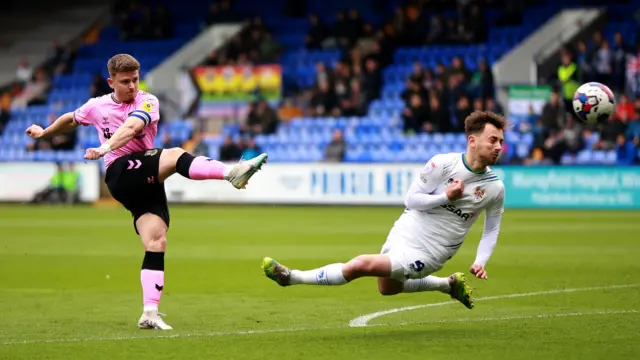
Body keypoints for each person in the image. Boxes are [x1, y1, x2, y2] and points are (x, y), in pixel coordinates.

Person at [25, 54, 268, 330]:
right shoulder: (97, 105)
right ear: (111, 82)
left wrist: (104, 146)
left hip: (145, 175)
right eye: (125, 81)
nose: (132, 86)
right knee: (176, 155)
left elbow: (132, 127)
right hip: (120, 172)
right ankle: (230, 173)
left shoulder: (148, 101)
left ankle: (149, 312)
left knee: (156, 242)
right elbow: (71, 118)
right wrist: (45, 132)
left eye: (135, 80)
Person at [262, 110, 506, 309]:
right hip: (407, 229)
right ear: (472, 141)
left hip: (433, 250)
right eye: (493, 140)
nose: (498, 147)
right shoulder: (442, 164)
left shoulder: (494, 187)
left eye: (501, 142)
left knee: (360, 265)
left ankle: (291, 277)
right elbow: (411, 200)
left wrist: (480, 260)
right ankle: (447, 285)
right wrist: (445, 196)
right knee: (387, 288)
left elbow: (491, 230)